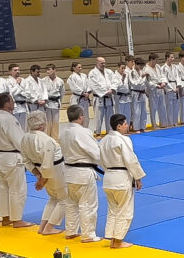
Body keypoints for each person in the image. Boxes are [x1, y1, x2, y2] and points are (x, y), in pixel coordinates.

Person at [100, 114, 146, 249]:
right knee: (124, 210)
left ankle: (112, 239)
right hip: (121, 178)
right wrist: (138, 177)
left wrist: (109, 170)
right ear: (118, 126)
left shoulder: (103, 141)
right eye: (125, 124)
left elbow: (100, 160)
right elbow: (131, 160)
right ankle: (118, 240)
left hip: (108, 178)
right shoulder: (123, 140)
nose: (127, 126)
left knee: (113, 210)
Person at [21, 111, 67, 236]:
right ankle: (49, 228)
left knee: (53, 198)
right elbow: (48, 163)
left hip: (40, 169)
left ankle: (42, 226)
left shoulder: (25, 137)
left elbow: (25, 160)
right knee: (64, 199)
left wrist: (37, 174)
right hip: (55, 169)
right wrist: (42, 179)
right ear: (42, 125)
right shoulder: (47, 140)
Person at [60, 105, 102, 243]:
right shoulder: (82, 132)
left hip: (69, 172)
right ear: (81, 117)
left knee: (71, 203)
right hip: (83, 172)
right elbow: (96, 153)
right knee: (87, 203)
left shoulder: (63, 132)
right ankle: (88, 234)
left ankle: (71, 231)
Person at [0, 92, 30, 228]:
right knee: (17, 189)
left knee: (3, 190)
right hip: (12, 158)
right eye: (11, 100)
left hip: (0, 157)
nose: (13, 103)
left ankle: (6, 217)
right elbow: (19, 141)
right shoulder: (9, 119)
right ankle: (17, 220)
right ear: (6, 104)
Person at [88, 57, 116, 134]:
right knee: (98, 117)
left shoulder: (109, 71)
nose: (103, 64)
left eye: (104, 63)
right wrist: (106, 92)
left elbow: (115, 81)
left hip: (109, 97)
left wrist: (112, 89)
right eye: (101, 63)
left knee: (110, 116)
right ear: (97, 63)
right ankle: (98, 132)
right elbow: (94, 85)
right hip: (99, 98)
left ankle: (110, 131)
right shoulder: (92, 73)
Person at [43, 64, 64, 139]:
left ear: (55, 70)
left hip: (56, 102)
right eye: (47, 70)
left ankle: (55, 138)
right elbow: (42, 92)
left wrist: (59, 102)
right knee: (48, 122)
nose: (47, 71)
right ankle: (47, 138)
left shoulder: (60, 81)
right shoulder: (44, 80)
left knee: (56, 122)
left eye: (49, 69)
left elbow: (62, 93)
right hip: (47, 103)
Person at [5, 64, 29, 130]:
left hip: (23, 106)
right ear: (10, 72)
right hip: (15, 107)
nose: (17, 71)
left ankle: (23, 140)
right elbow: (11, 93)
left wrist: (19, 91)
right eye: (15, 70)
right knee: (15, 127)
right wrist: (18, 85)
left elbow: (28, 93)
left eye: (18, 70)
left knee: (23, 127)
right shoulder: (7, 81)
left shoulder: (24, 80)